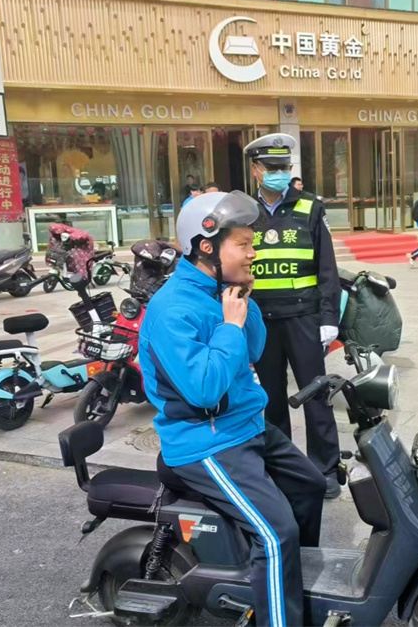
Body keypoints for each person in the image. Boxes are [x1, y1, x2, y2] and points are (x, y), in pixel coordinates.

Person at [140, 191, 326, 627]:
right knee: (276, 534)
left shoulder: (220, 293)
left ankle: (285, 584)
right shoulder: (172, 310)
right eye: (243, 244)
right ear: (207, 247)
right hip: (206, 442)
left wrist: (245, 302)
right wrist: (230, 324)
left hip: (244, 426)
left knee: (310, 485)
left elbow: (254, 349)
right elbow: (204, 390)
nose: (253, 253)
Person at [244, 134, 343, 498]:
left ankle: (326, 469)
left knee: (316, 395)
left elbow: (327, 266)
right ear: (256, 170)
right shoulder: (243, 211)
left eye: (284, 167)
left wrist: (329, 316)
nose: (280, 173)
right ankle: (282, 468)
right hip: (260, 320)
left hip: (304, 317)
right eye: (272, 167)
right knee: (269, 399)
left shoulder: (311, 206)